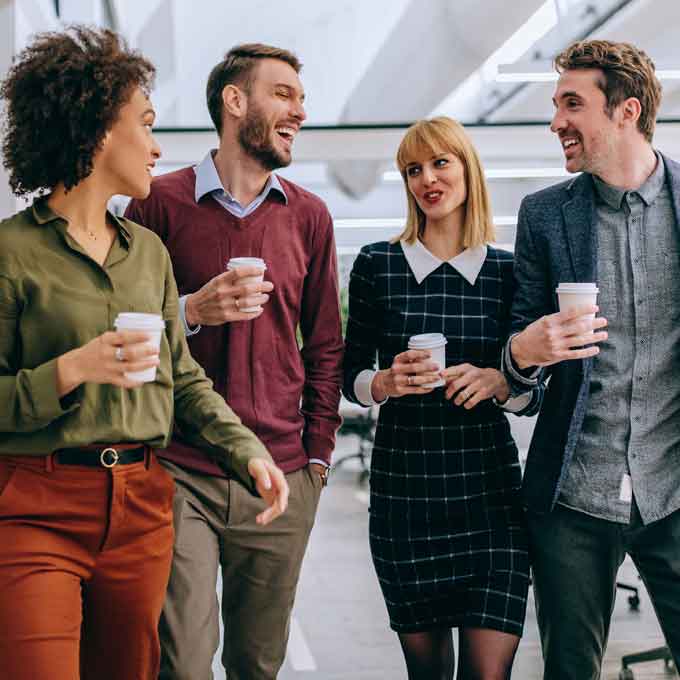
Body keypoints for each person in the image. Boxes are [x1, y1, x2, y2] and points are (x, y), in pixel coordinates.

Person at [0, 27, 288, 680]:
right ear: (98, 128)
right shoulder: (11, 254)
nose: (158, 147)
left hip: (140, 510)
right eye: (146, 124)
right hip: (35, 509)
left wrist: (247, 451)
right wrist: (71, 370)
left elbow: (183, 379)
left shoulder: (149, 253)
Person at [125, 43, 343, 680]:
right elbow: (128, 330)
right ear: (235, 101)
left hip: (280, 474)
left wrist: (318, 460)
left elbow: (326, 344)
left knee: (257, 662)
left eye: (300, 99)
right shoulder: (156, 206)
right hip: (179, 467)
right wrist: (193, 309)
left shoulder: (309, 216)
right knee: (183, 663)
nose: (299, 111)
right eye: (284, 95)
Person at [503, 39, 680, 679]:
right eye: (557, 105)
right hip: (573, 497)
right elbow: (518, 378)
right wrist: (525, 352)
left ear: (627, 111)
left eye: (572, 104)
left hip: (675, 489)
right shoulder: (546, 216)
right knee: (570, 670)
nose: (556, 122)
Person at [343, 116, 542, 680]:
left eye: (439, 163)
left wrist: (501, 382)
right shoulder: (379, 265)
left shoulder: (508, 272)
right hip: (407, 494)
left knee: (487, 674)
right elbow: (350, 373)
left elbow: (533, 398)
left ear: (466, 169)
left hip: (489, 495)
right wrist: (383, 383)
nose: (426, 179)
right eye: (412, 169)